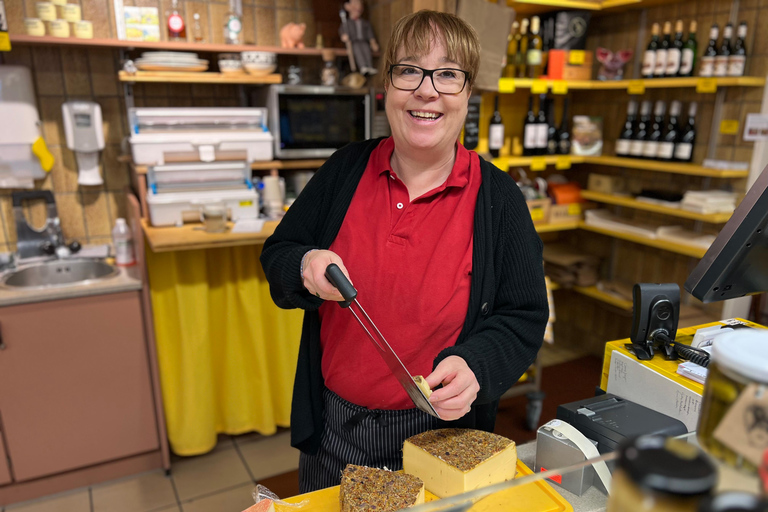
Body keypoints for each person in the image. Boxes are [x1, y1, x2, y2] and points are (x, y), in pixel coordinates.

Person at [260, 10, 548, 493]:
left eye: (448, 74)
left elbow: (523, 316)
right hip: (334, 430)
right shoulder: (343, 170)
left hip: (442, 441)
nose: (426, 90)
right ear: (387, 86)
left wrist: (478, 364)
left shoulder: (500, 200)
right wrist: (304, 265)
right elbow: (279, 252)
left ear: (468, 93)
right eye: (409, 69)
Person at [339, 0, 379, 75]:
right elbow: (342, 31)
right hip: (354, 42)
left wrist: (373, 43)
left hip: (364, 41)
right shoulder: (347, 23)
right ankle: (363, 66)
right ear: (347, 6)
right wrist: (344, 36)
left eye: (359, 4)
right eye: (355, 4)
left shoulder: (365, 23)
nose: (358, 6)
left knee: (367, 50)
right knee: (357, 50)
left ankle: (369, 66)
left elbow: (370, 34)